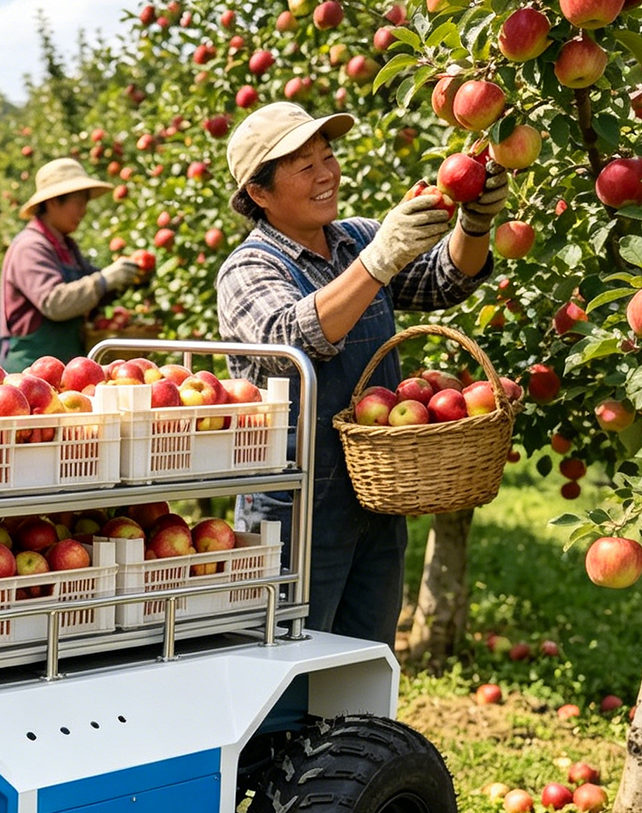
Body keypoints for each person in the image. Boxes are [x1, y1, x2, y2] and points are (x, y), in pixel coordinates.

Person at [216, 100, 506, 647]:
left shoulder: (355, 237)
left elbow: (443, 281)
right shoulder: (249, 268)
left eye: (328, 156)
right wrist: (378, 261)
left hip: (377, 490)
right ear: (260, 192)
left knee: (364, 657)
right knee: (285, 657)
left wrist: (475, 222)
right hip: (294, 505)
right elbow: (291, 339)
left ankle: (359, 739)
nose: (327, 174)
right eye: (305, 167)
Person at [0, 157, 143, 370]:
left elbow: (92, 294)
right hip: (30, 370)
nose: (83, 211)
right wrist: (105, 279)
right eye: (79, 203)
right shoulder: (30, 247)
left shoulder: (66, 246)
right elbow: (54, 303)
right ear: (54, 201)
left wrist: (128, 279)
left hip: (64, 369)